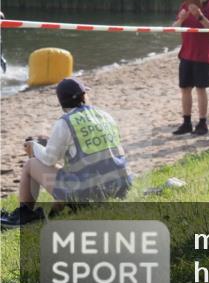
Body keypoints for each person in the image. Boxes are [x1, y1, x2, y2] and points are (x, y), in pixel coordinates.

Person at [2, 79, 129, 229]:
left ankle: (24, 215)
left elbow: (49, 159)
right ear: (84, 96)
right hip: (119, 188)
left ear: (62, 102)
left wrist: (34, 148)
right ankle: (55, 210)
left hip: (89, 196)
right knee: (72, 167)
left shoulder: (66, 123)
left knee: (32, 164)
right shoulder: (105, 116)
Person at [171, 0, 209, 136]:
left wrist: (199, 16)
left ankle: (202, 122)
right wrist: (181, 19)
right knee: (185, 88)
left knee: (201, 89)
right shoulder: (185, 4)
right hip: (186, 53)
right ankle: (186, 122)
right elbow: (174, 27)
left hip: (202, 55)